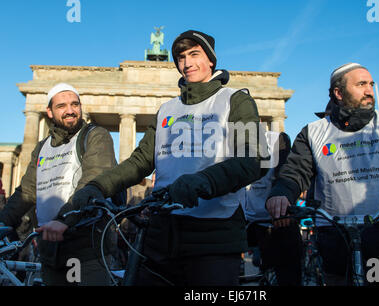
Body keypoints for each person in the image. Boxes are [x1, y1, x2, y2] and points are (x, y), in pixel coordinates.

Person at [71, 30, 267, 286]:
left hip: (213, 238)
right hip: (161, 236)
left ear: (211, 60)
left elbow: (254, 159)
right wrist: (99, 186)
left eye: (194, 54)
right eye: (181, 57)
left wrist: (202, 182)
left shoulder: (236, 101)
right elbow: (140, 161)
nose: (187, 63)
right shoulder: (167, 110)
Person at [266, 63, 379, 285]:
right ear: (338, 92)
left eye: (371, 84)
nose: (369, 90)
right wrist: (281, 194)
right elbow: (294, 173)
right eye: (361, 84)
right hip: (340, 246)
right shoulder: (312, 133)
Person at [0, 83, 119, 286]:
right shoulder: (42, 147)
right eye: (62, 106)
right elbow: (27, 191)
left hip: (85, 248)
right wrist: (3, 222)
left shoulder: (95, 136)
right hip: (50, 249)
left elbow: (93, 180)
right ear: (49, 111)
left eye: (75, 104)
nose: (70, 110)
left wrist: (65, 219)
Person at [244, 130, 303, 285]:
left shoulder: (277, 138)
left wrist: (281, 205)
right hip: (249, 221)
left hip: (277, 219)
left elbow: (284, 173)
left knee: (288, 274)